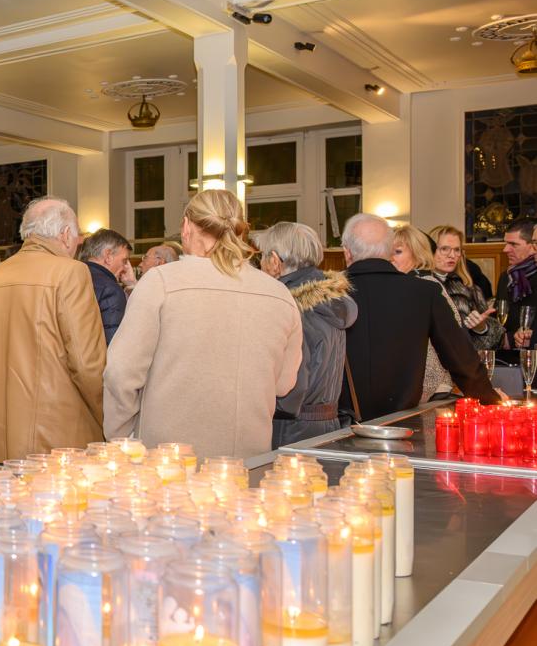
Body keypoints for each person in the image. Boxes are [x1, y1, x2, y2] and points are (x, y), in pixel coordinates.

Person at [105, 190, 301, 459]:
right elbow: (284, 384)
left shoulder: (161, 282)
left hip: (169, 460)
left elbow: (121, 372)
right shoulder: (279, 294)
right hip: (247, 457)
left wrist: (121, 437)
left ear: (186, 227)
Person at [0, 199, 105, 459]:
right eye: (77, 237)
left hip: (3, 439)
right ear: (65, 234)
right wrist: (109, 416)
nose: (77, 244)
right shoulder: (71, 273)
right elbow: (86, 363)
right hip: (60, 436)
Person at [338, 213, 499, 420]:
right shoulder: (424, 292)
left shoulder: (326, 294)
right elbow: (461, 359)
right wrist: (491, 405)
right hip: (402, 421)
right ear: (389, 251)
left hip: (338, 422)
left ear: (347, 253)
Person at [254, 222, 357, 447]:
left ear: (274, 261)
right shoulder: (332, 300)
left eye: (262, 257)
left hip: (288, 429)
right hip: (328, 424)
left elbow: (290, 392)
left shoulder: (287, 305)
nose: (260, 264)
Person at [392, 224, 461, 401]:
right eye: (388, 252)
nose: (390, 257)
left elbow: (449, 342)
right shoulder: (407, 284)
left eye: (397, 252)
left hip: (430, 390)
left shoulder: (426, 286)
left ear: (417, 254)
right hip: (416, 389)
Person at [427, 224, 504, 352]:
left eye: (457, 250)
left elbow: (493, 341)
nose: (452, 255)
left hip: (462, 360)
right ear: (430, 250)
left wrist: (481, 328)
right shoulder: (418, 285)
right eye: (444, 249)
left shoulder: (470, 290)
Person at [78, 228, 132, 343]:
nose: (125, 268)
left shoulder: (70, 278)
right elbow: (113, 342)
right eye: (124, 261)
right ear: (108, 256)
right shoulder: (111, 290)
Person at [496, 218, 537, 348]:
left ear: (532, 246)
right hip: (507, 356)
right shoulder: (506, 277)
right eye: (506, 243)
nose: (505, 249)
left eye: (513, 244)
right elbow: (500, 322)